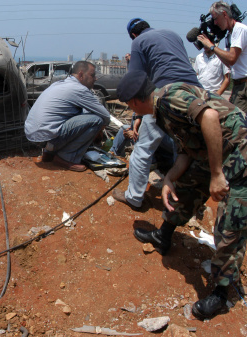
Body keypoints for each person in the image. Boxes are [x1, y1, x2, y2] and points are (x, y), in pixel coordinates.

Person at [117, 70, 247, 320]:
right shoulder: (162, 112)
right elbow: (186, 152)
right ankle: (163, 236)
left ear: (134, 102)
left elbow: (209, 116)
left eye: (128, 105)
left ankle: (221, 294)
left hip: (239, 150)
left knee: (231, 223)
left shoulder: (169, 98)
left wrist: (217, 173)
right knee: (184, 189)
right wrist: (169, 179)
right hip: (213, 151)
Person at [112, 18, 202, 209]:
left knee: (143, 148)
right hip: (195, 93)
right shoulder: (173, 34)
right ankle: (182, 199)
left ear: (133, 35)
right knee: (185, 148)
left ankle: (134, 197)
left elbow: (136, 81)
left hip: (166, 94)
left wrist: (137, 117)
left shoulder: (138, 42)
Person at [24, 61, 110, 172]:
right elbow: (105, 116)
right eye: (92, 75)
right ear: (81, 74)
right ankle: (66, 158)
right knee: (97, 120)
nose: (95, 78)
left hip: (34, 136)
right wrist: (100, 130)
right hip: (46, 137)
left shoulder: (60, 84)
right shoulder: (79, 89)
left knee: (76, 114)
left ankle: (49, 153)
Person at [198, 1, 247, 112]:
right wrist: (214, 47)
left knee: (238, 123)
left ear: (224, 14)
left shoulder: (239, 29)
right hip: (239, 85)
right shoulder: (229, 35)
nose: (215, 23)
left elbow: (231, 59)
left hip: (244, 85)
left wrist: (211, 46)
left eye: (216, 19)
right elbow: (228, 63)